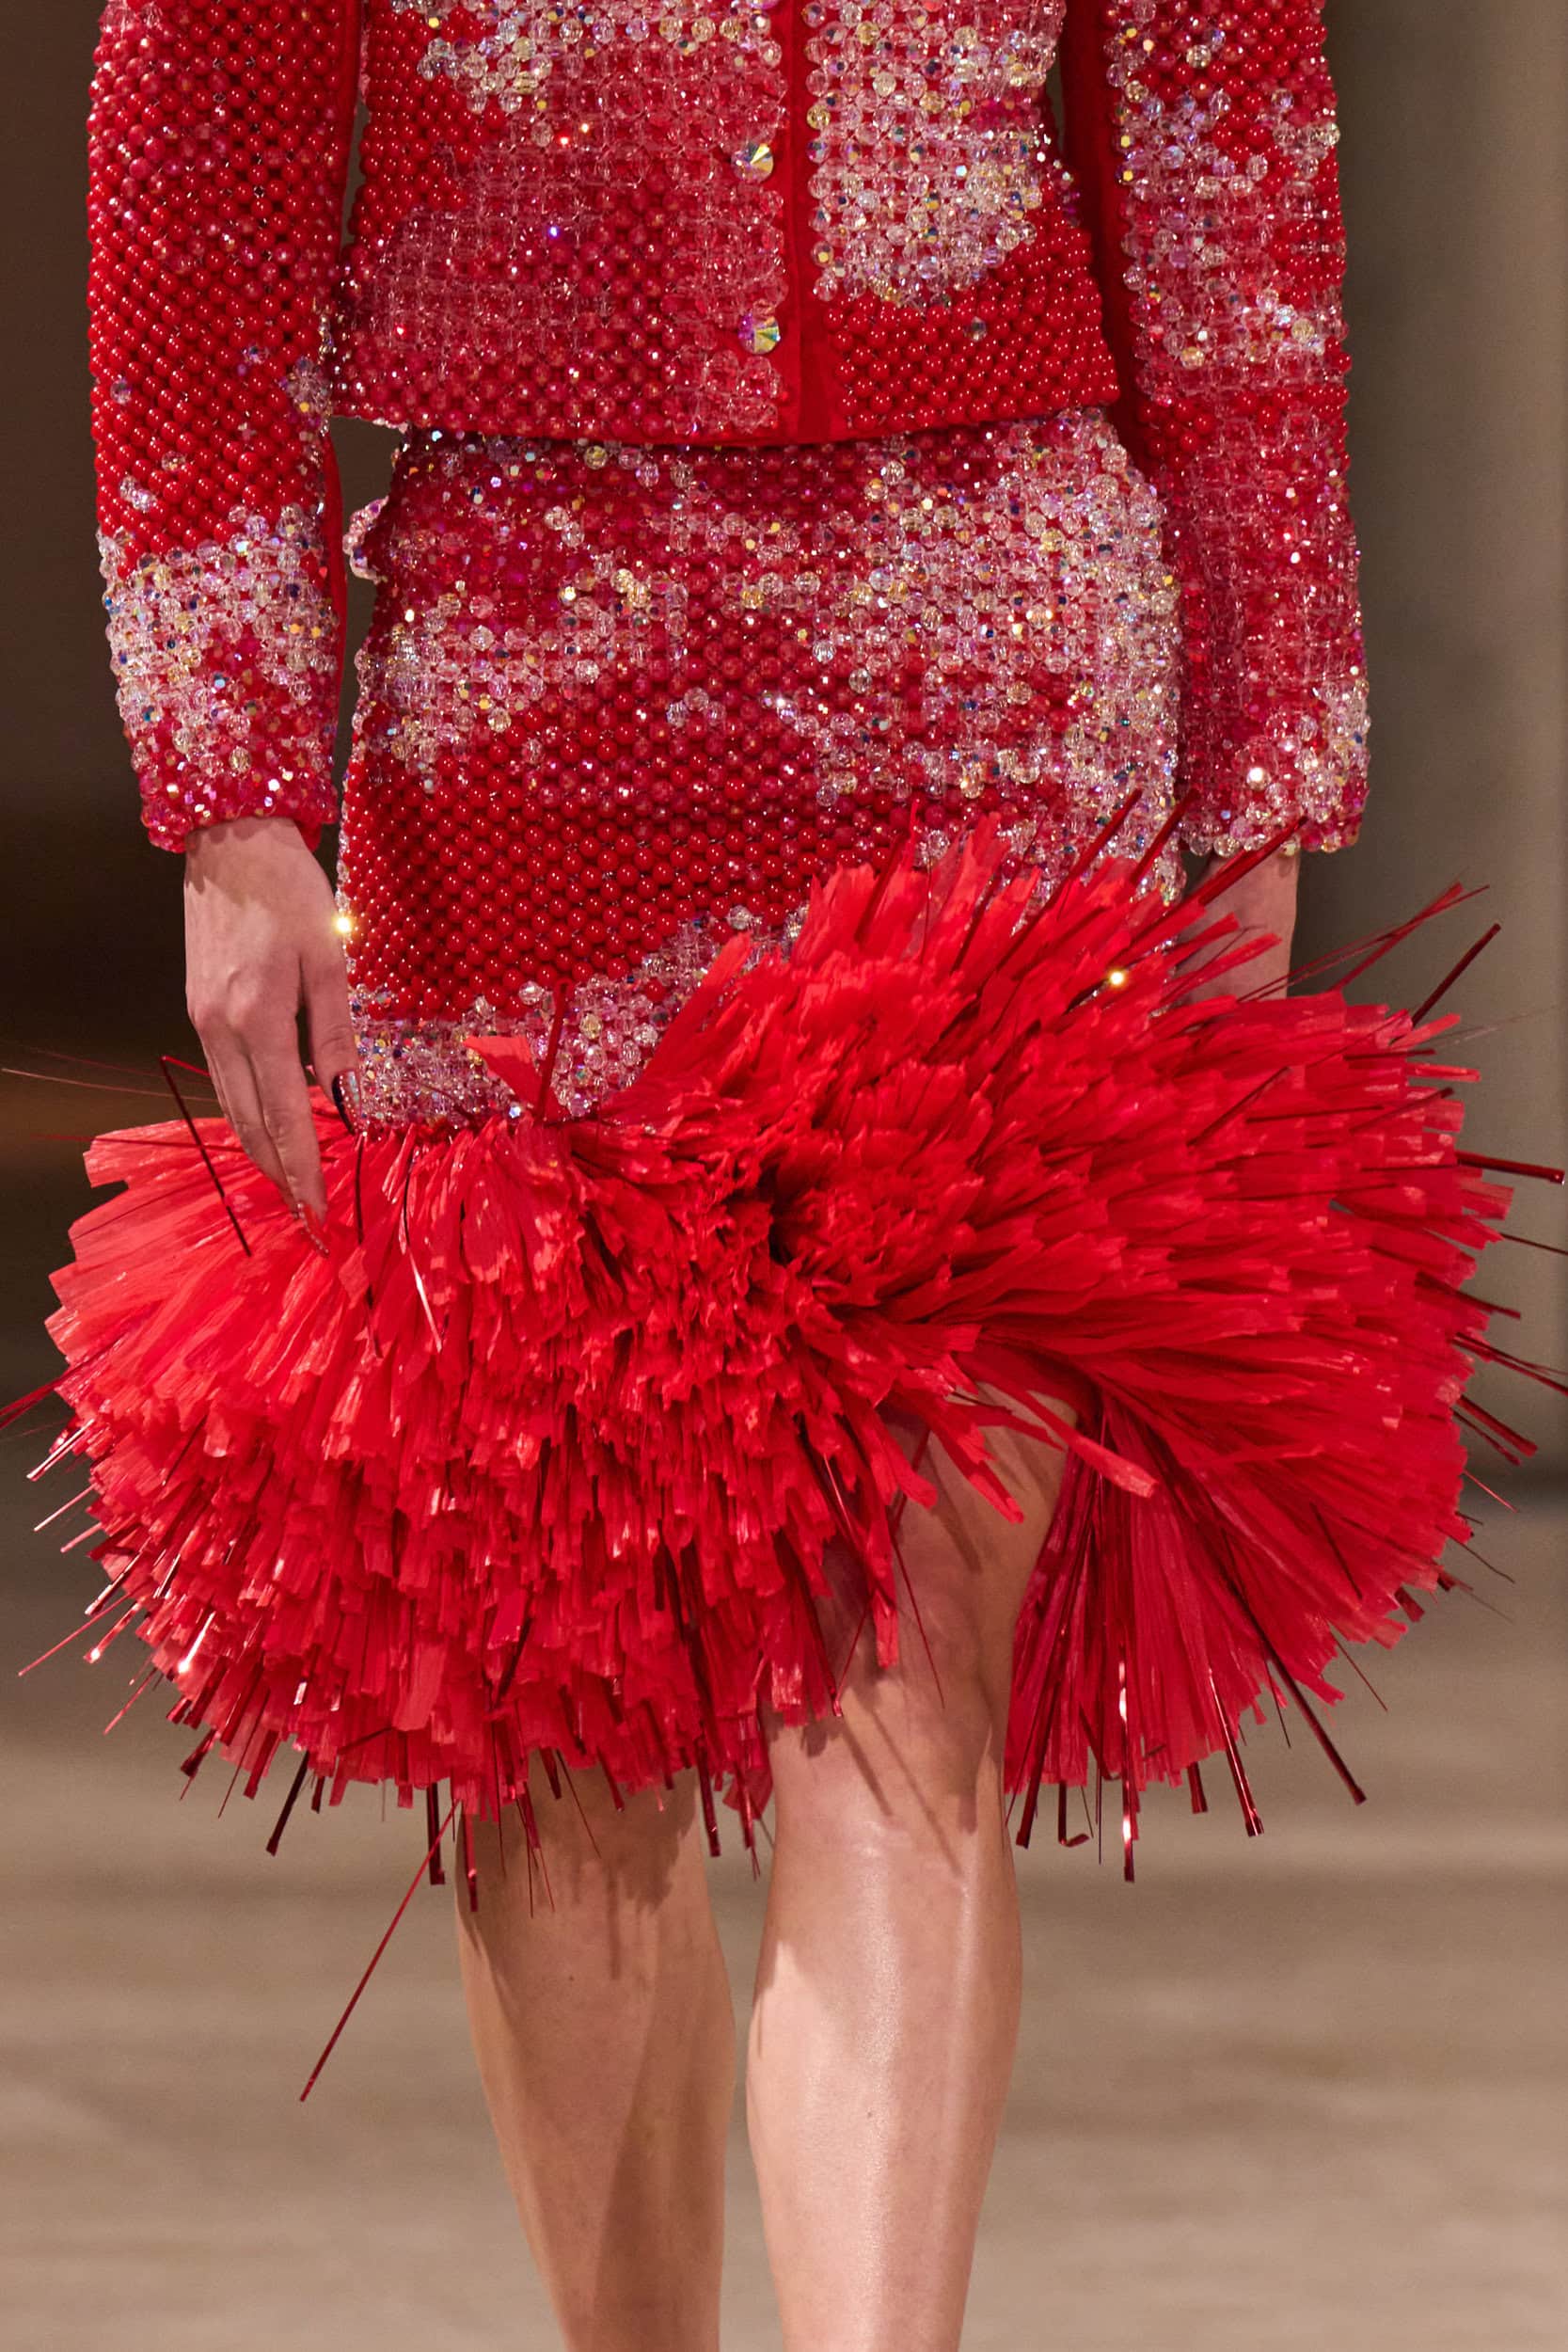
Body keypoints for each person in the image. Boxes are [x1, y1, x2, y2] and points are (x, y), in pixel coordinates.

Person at [48, 7, 1536, 2351]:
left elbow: (1225, 158)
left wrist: (1263, 756)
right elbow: (194, 161)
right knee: (563, 1686)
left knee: (914, 1643)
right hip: (531, 681)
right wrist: (229, 774)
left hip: (1001, 649)